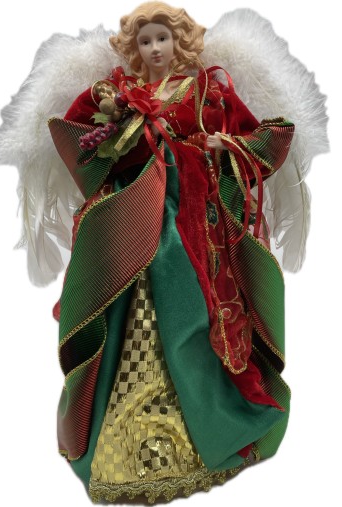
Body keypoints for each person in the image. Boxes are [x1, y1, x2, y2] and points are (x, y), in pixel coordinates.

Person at [45, 2, 296, 502]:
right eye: (145, 41)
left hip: (189, 224)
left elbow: (265, 136)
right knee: (128, 316)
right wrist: (120, 138)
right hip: (133, 222)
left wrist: (224, 146)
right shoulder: (117, 95)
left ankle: (205, 425)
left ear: (178, 42)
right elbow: (81, 142)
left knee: (192, 315)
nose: (155, 48)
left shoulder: (205, 90)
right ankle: (119, 430)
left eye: (162, 38)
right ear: (134, 48)